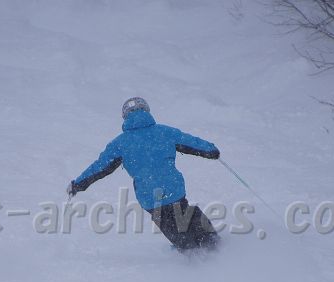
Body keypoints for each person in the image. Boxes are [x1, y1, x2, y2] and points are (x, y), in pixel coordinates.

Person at [67, 97, 220, 252]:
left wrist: (78, 184)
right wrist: (211, 150)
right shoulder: (165, 132)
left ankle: (189, 250)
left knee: (170, 224)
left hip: (150, 197)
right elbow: (191, 142)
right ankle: (212, 243)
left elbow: (100, 167)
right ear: (146, 111)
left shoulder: (120, 143)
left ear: (125, 116)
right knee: (186, 213)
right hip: (173, 189)